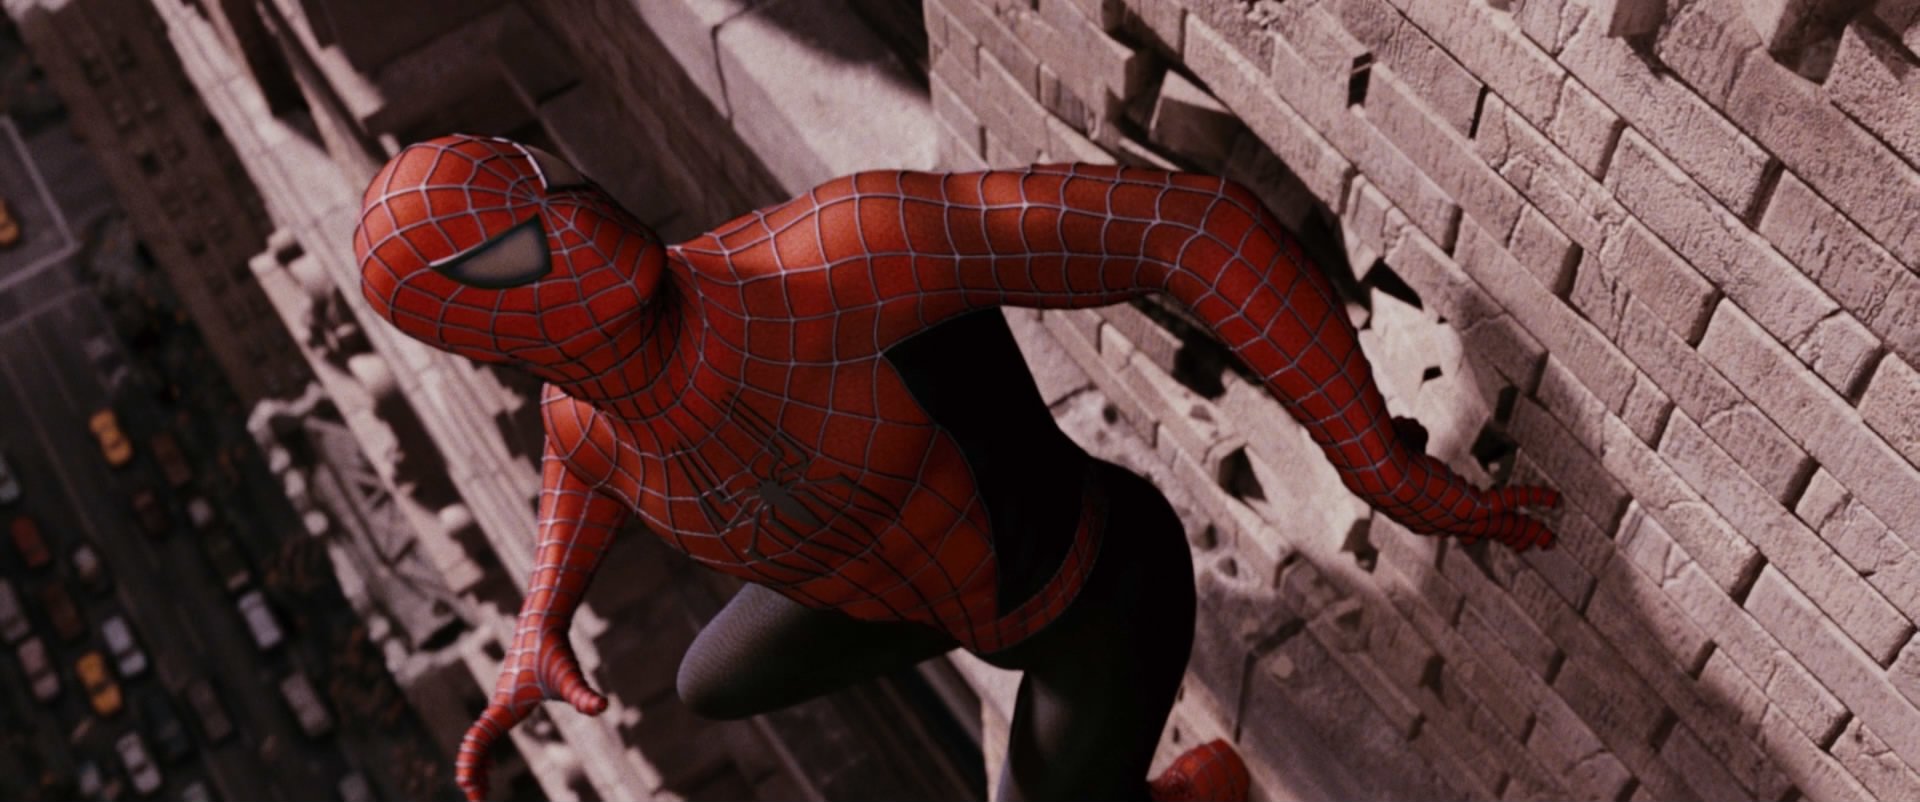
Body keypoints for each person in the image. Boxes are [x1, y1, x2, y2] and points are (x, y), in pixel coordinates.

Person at [353, 134, 1558, 802]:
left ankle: (1188, 795)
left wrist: (1370, 457)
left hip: (1084, 588)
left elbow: (1186, 227)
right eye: (514, 251)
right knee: (710, 678)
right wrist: (541, 618)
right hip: (892, 579)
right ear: (480, 330)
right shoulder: (581, 417)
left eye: (552, 189)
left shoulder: (834, 259)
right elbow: (578, 478)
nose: (574, 228)